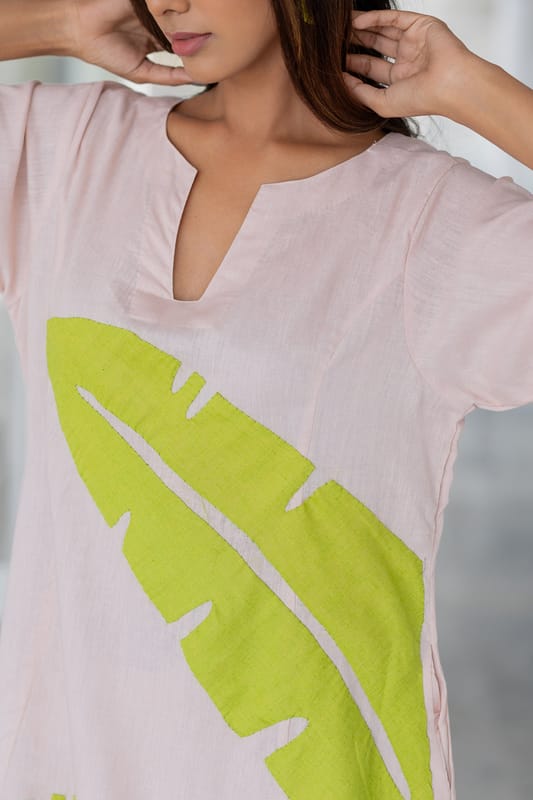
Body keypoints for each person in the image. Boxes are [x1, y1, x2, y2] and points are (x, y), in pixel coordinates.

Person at [0, 0, 531, 798]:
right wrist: (58, 22)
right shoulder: (61, 150)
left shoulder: (432, 223)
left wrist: (472, 89)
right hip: (64, 763)